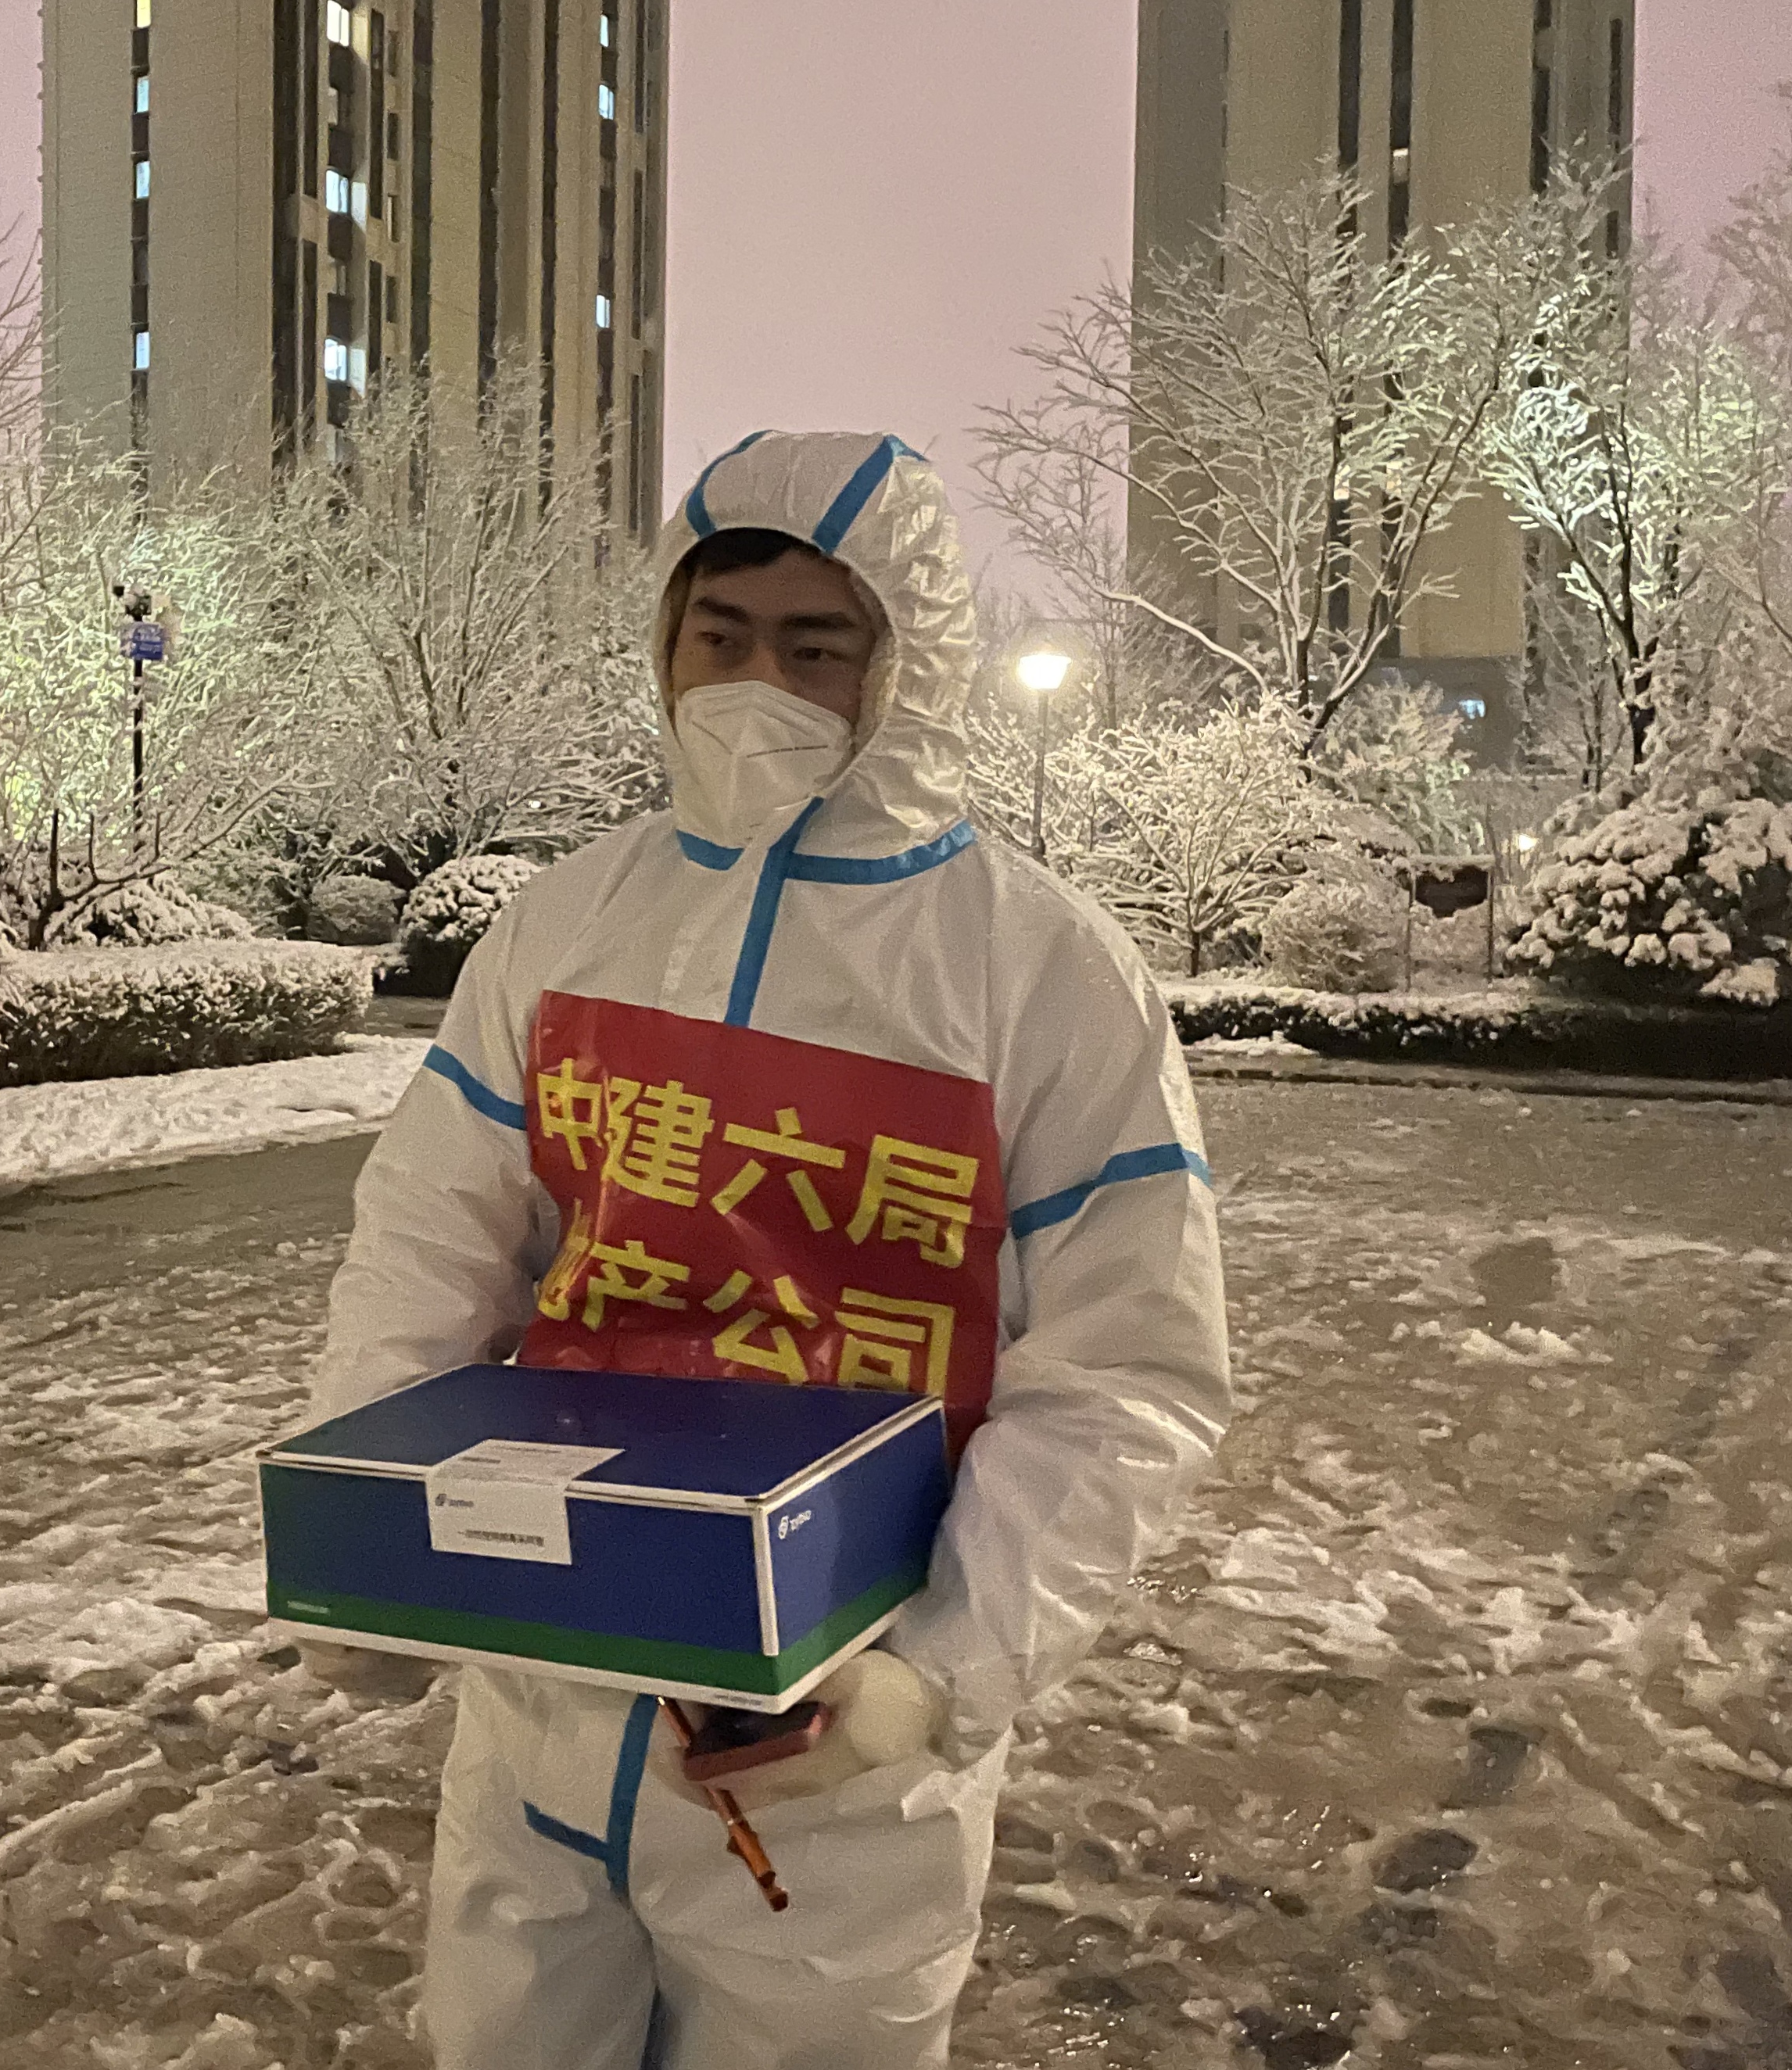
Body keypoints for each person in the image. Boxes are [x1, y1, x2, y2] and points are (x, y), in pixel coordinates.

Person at [305, 431, 1232, 2068]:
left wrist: (936, 1676)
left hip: (837, 1754)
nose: (755, 685)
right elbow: (433, 1239)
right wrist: (367, 1532)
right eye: (718, 634)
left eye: (817, 645)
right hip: (545, 1683)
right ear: (663, 640)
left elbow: (1125, 1372)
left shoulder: (1041, 973)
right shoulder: (568, 922)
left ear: (909, 664)